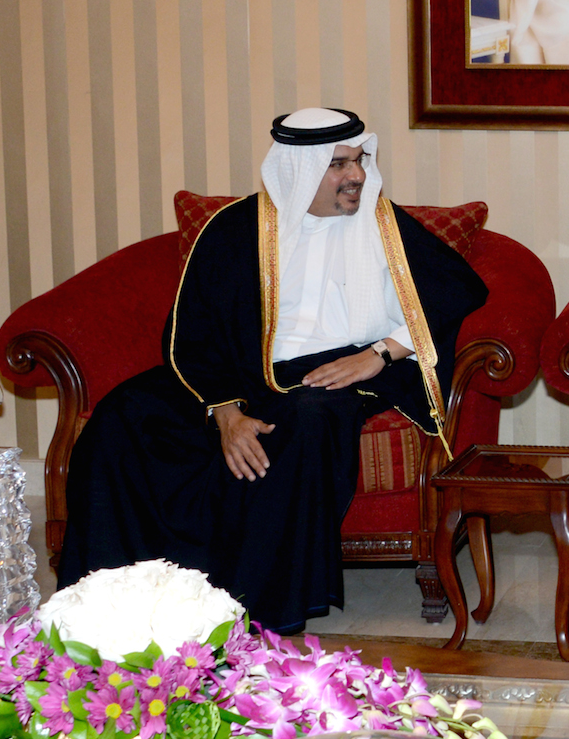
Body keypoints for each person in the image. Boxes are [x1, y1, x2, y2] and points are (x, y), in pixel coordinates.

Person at [58, 108, 488, 632]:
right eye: (338, 165)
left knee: (308, 419)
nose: (356, 175)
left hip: (338, 371)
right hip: (240, 367)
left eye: (359, 160)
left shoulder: (384, 224)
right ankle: (109, 595)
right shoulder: (234, 229)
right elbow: (194, 330)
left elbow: (456, 291)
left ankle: (255, 609)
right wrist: (225, 412)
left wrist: (379, 353)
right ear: (298, 171)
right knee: (123, 415)